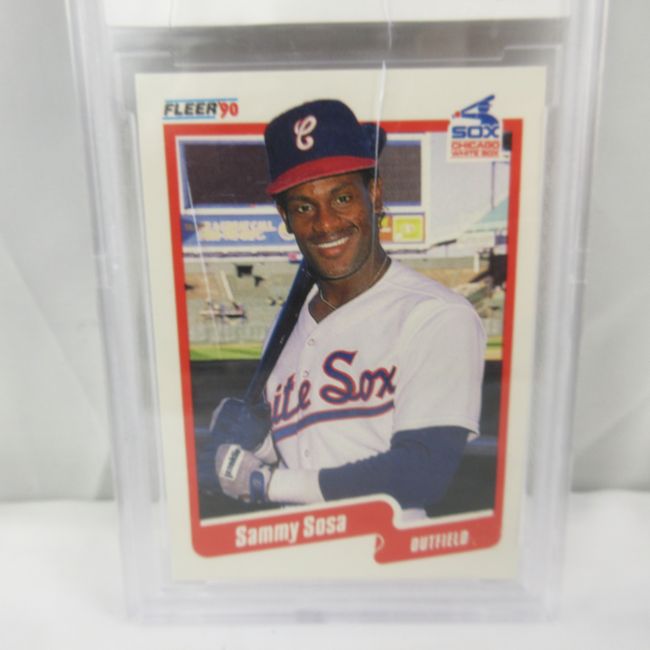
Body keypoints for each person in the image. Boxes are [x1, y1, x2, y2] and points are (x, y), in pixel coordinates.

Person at [199, 99, 486, 519]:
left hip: (390, 552)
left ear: (375, 194)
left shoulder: (435, 315)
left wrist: (265, 483)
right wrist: (259, 444)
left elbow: (422, 471)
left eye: (343, 197)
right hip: (297, 549)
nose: (325, 223)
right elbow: (311, 451)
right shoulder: (285, 336)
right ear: (284, 217)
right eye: (303, 207)